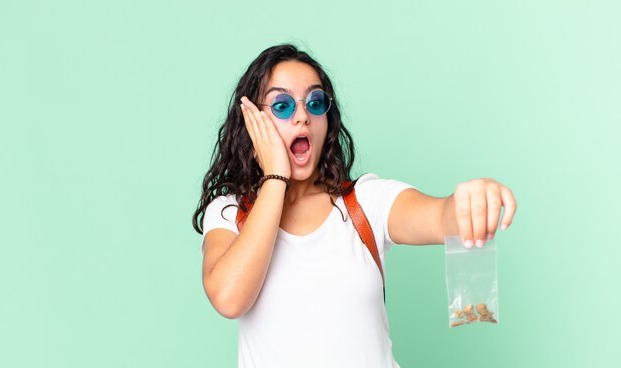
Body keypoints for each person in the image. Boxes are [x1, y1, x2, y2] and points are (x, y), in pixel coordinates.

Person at [192, 44, 517, 368]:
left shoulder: (365, 201)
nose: (302, 116)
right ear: (253, 124)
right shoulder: (230, 213)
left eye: (315, 103)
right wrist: (275, 176)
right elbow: (229, 297)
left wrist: (469, 203)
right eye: (283, 105)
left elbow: (441, 217)